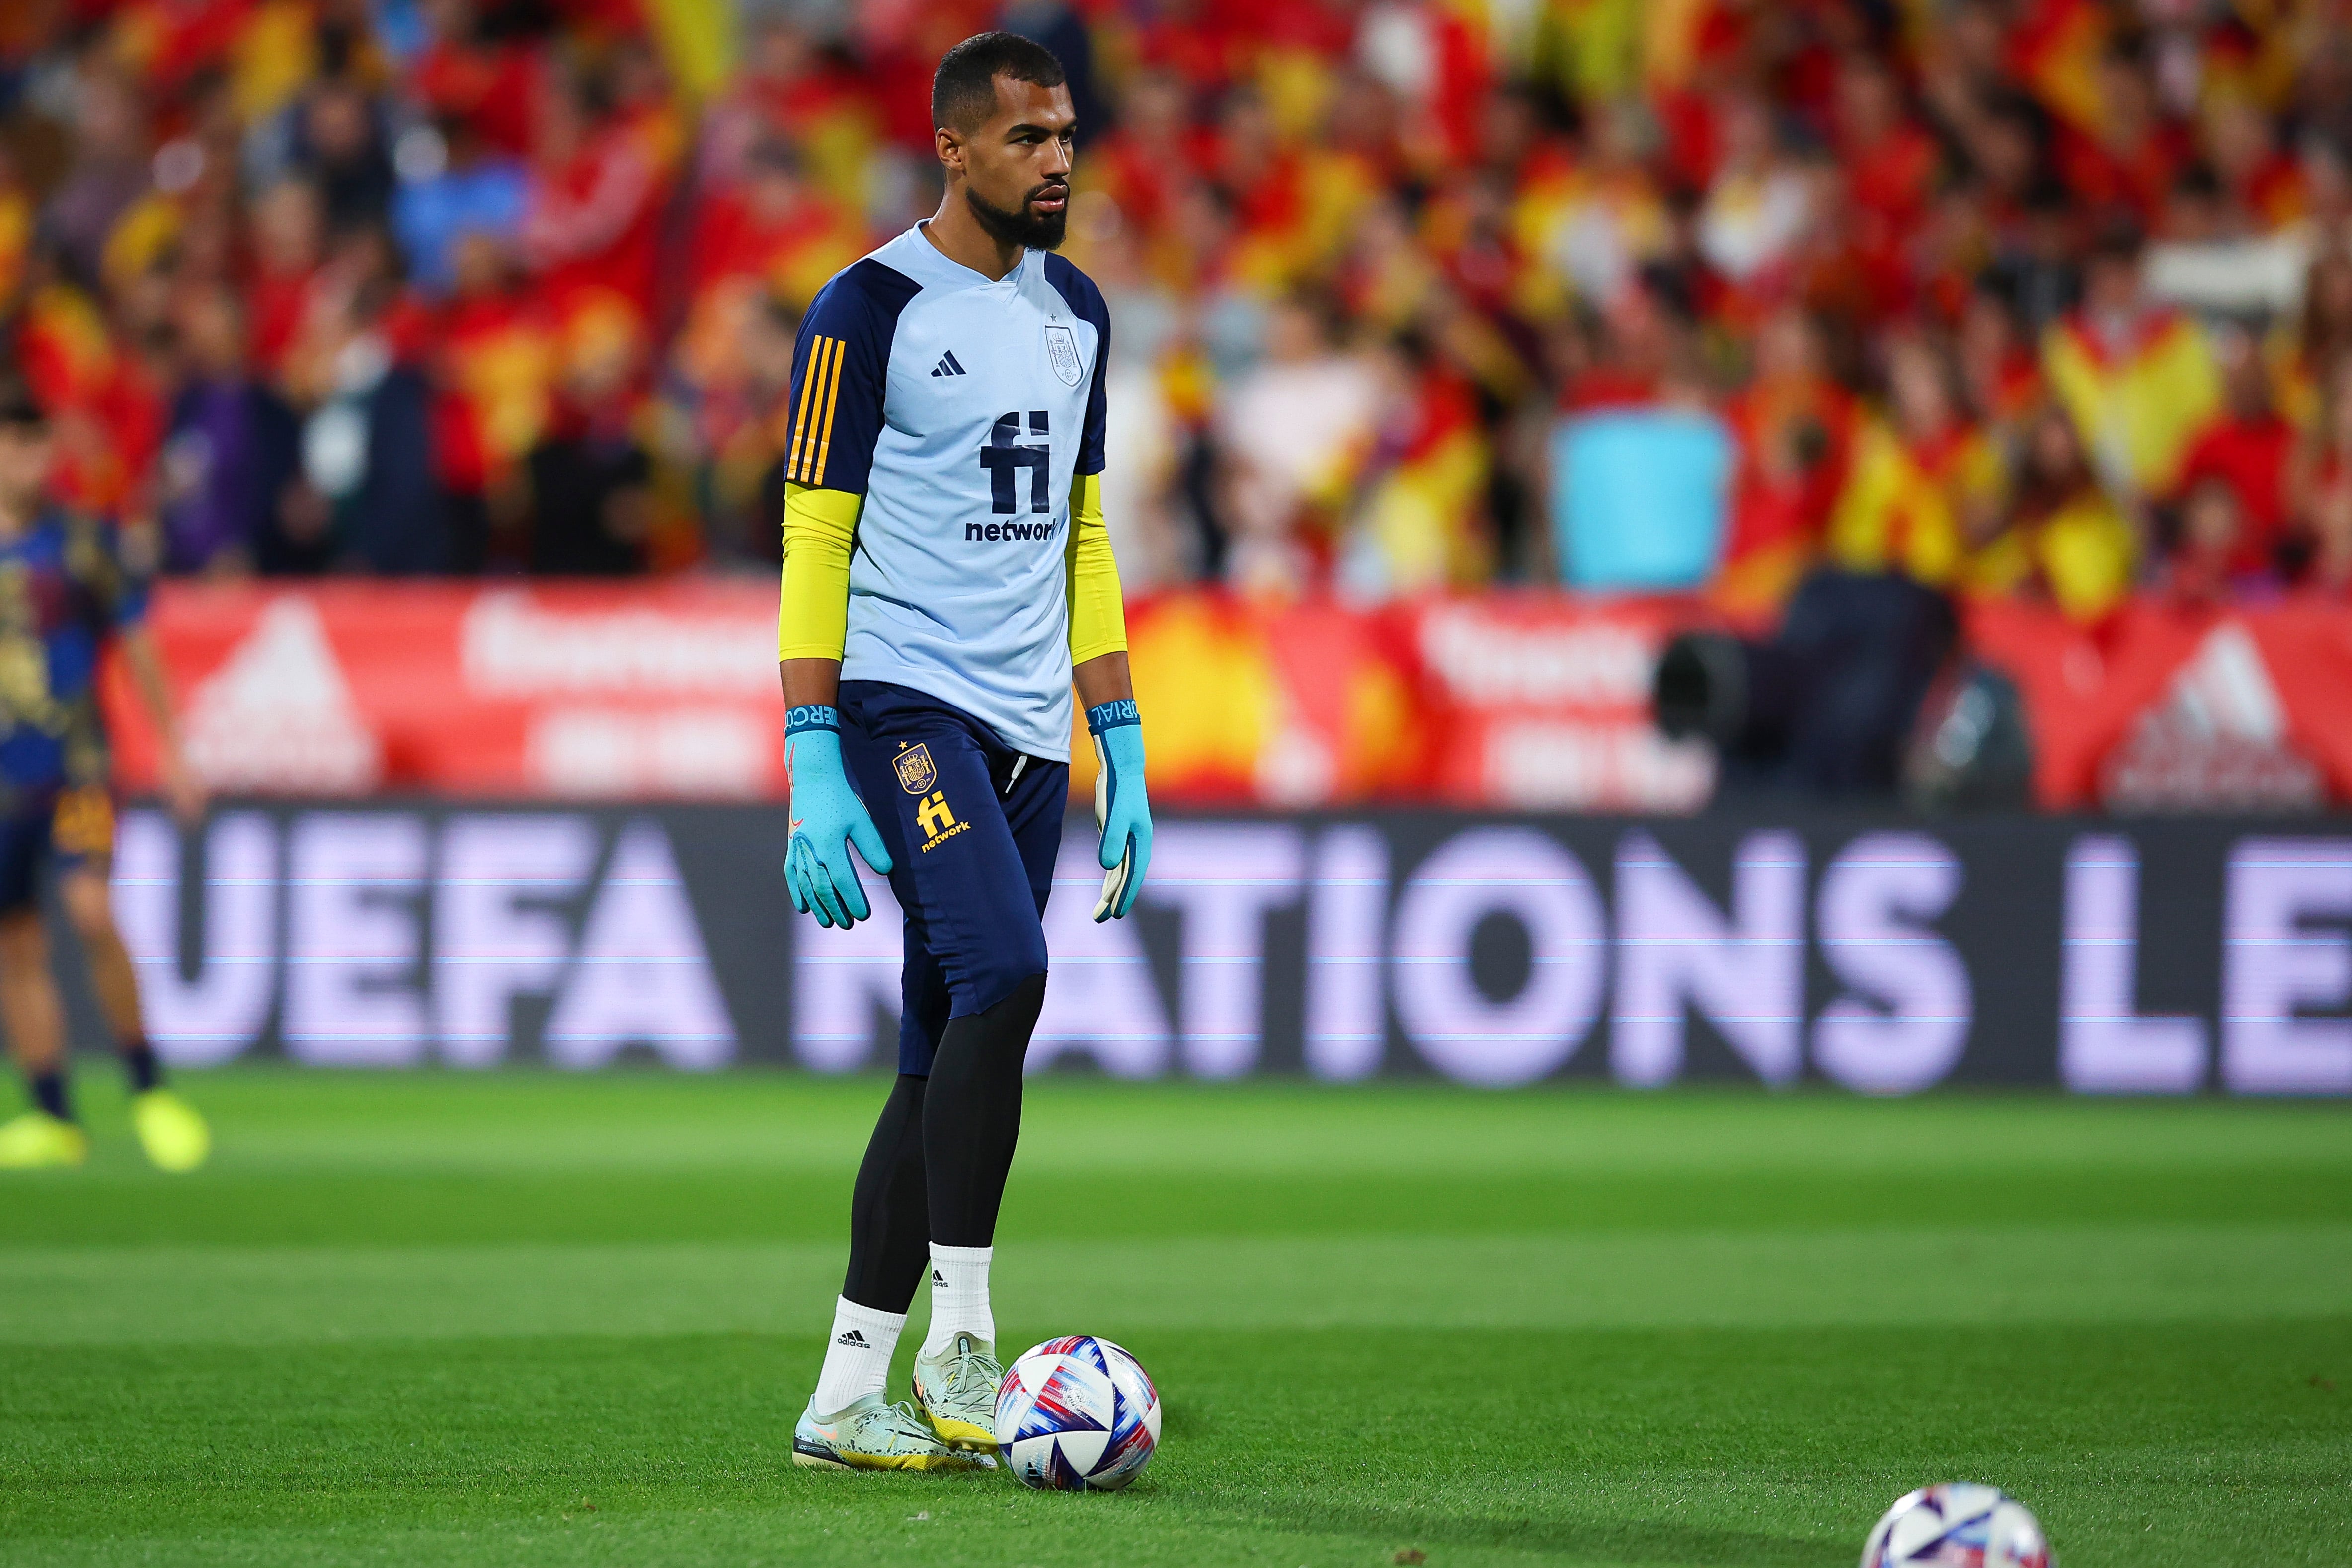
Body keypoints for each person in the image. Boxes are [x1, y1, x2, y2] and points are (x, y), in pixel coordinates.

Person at [776, 34, 1152, 1472]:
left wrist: (1116, 729)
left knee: (938, 1051)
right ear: (953, 150)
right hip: (897, 702)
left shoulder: (1082, 315)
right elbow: (813, 536)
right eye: (1025, 139)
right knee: (1007, 970)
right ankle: (961, 1338)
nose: (1056, 159)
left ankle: (842, 1391)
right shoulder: (862, 308)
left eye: (1065, 134)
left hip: (1026, 726)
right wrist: (814, 751)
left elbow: (1087, 530)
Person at [0, 382, 211, 1172]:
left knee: (91, 909)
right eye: (12, 445)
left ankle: (149, 1089)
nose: (25, 460)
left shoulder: (86, 542)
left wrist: (172, 749)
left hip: (77, 768)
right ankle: (54, 1115)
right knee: (15, 944)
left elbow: (140, 646)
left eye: (34, 444)